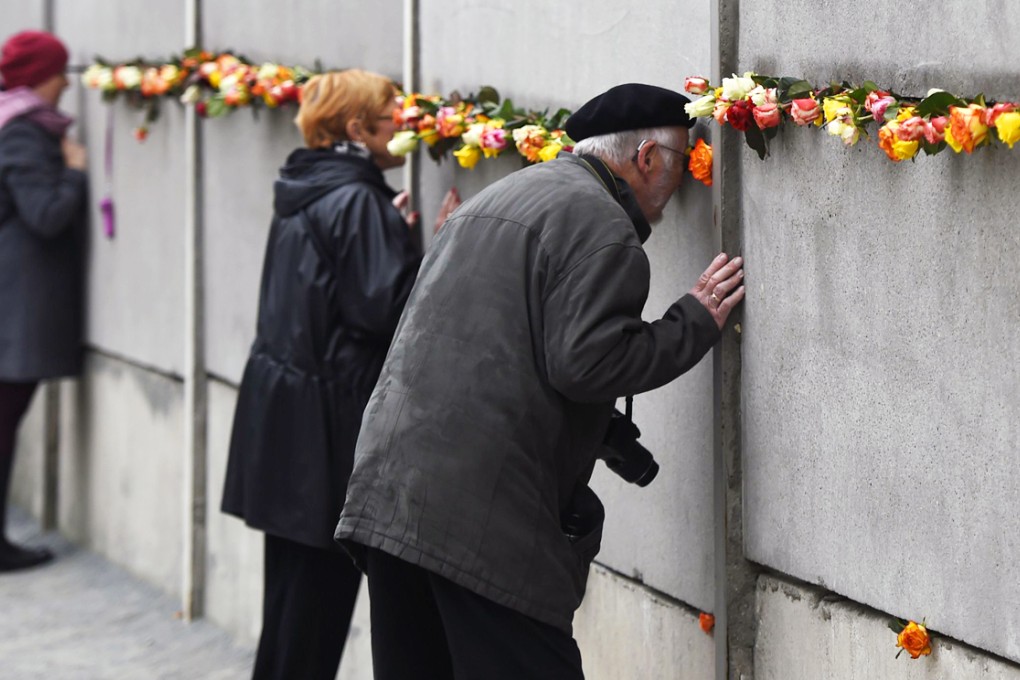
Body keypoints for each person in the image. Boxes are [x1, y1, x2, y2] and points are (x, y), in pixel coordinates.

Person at [335, 83, 745, 679]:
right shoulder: (605, 228)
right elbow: (588, 364)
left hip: (390, 495)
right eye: (685, 161)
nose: (684, 180)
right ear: (647, 159)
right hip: (481, 520)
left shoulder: (497, 196)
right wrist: (694, 320)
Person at [220, 69, 458, 680]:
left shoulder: (312, 184)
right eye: (391, 117)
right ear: (356, 128)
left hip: (286, 415)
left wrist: (390, 235)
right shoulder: (355, 199)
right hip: (321, 429)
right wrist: (442, 246)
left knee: (292, 606)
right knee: (313, 614)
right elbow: (389, 309)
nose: (402, 127)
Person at [0, 30, 87, 573]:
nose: (65, 85)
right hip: (16, 305)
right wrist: (75, 171)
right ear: (42, 76)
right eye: (61, 73)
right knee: (4, 423)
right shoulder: (25, 132)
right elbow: (47, 215)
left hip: (13, 302)